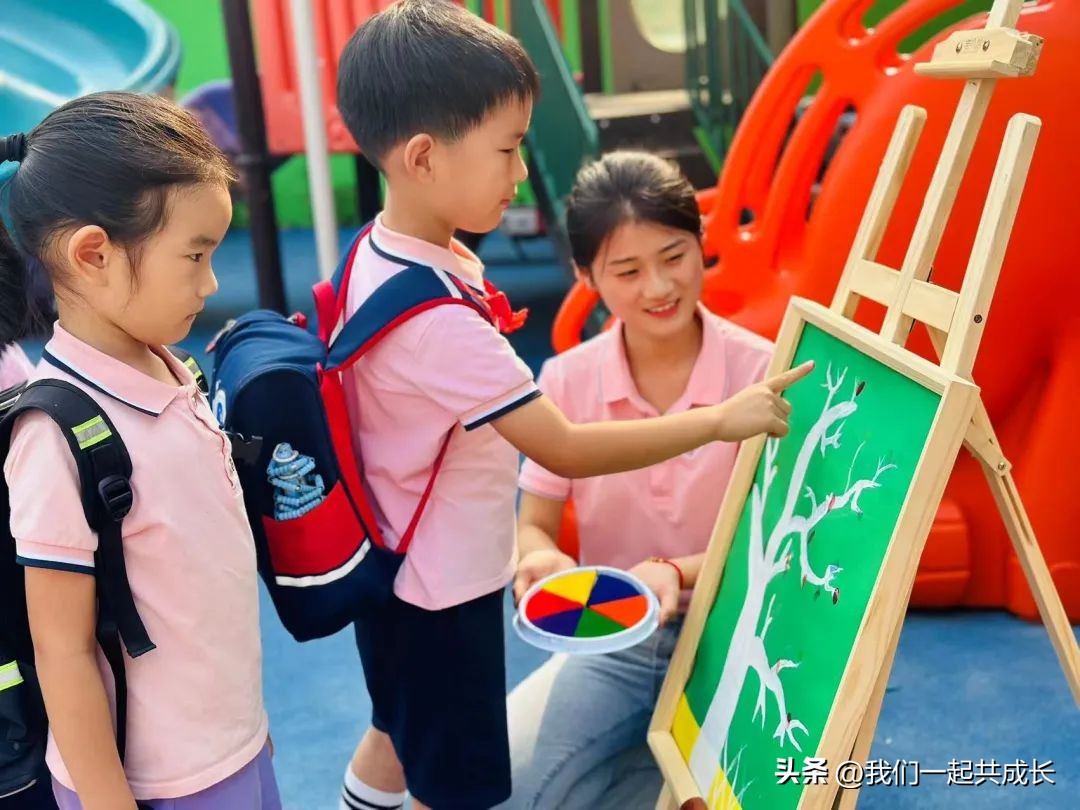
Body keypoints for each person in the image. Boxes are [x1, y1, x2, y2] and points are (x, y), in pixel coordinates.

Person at [333, 4, 811, 809]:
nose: (520, 172)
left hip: (723, 629)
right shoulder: (447, 317)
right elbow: (564, 451)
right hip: (455, 591)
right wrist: (718, 421)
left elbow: (788, 544)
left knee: (404, 728)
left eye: (674, 258)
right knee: (457, 774)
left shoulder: (411, 261)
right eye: (509, 149)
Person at [0, 92, 280, 810]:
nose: (211, 282)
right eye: (194, 255)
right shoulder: (55, 435)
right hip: (159, 787)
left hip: (229, 746)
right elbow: (61, 652)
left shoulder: (170, 366)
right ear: (93, 254)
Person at [502, 151, 774, 809]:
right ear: (585, 275)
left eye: (675, 256)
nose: (658, 287)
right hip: (615, 636)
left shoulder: (763, 372)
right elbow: (534, 523)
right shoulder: (566, 379)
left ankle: (676, 774)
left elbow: (781, 550)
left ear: (702, 245)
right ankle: (659, 774)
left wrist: (674, 571)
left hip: (740, 635)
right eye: (627, 270)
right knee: (505, 790)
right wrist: (540, 560)